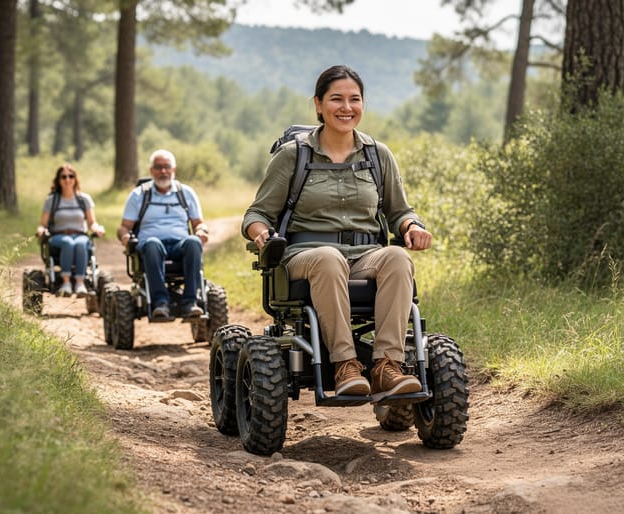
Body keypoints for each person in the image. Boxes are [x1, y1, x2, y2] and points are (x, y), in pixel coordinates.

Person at [242, 65, 434, 399]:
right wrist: (261, 234)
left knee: (398, 258)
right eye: (336, 99)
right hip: (305, 256)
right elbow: (257, 213)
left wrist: (412, 225)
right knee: (329, 259)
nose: (346, 107)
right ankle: (345, 365)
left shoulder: (378, 155)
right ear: (318, 104)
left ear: (363, 104)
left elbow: (399, 211)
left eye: (354, 99)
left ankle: (387, 366)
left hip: (364, 256)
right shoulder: (293, 156)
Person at [116, 149, 210, 320]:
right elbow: (124, 227)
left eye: (167, 167)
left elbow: (198, 223)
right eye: (158, 167)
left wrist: (201, 231)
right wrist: (124, 236)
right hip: (150, 246)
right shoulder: (139, 195)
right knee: (153, 243)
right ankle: (160, 303)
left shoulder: (186, 193)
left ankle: (190, 303)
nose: (163, 171)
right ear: (151, 170)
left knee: (193, 242)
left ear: (174, 169)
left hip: (179, 245)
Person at [36, 163, 104, 298]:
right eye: (64, 177)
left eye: (70, 176)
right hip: (58, 236)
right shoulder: (52, 200)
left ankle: (80, 283)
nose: (67, 180)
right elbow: (42, 224)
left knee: (80, 243)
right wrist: (41, 231)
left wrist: (98, 228)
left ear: (75, 179)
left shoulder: (84, 199)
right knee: (68, 242)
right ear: (58, 180)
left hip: (80, 235)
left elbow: (92, 222)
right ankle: (66, 283)